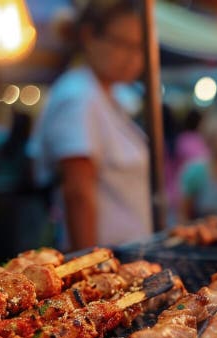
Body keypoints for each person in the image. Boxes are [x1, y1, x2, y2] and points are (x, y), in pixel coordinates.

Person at [28, 0, 150, 250]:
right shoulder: (78, 97)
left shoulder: (111, 96)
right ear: (89, 37)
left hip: (128, 254)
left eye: (140, 47)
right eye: (123, 44)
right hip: (106, 260)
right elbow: (78, 193)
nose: (133, 57)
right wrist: (88, 264)